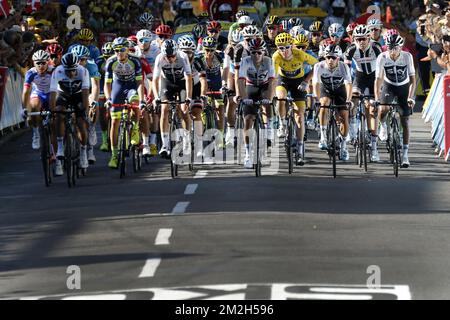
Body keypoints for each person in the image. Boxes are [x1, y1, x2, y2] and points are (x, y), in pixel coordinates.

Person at [272, 32, 319, 165]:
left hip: (299, 81)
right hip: (283, 80)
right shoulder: (276, 57)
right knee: (281, 98)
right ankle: (282, 123)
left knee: (299, 116)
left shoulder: (299, 54)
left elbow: (317, 65)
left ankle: (300, 148)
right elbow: (274, 76)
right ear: (277, 48)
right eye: (281, 48)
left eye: (287, 47)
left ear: (292, 46)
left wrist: (306, 81)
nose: (284, 51)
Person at [375, 34, 416, 168]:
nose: (392, 51)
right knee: (383, 109)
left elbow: (412, 80)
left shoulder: (407, 56)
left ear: (401, 47)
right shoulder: (382, 57)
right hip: (389, 86)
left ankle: (405, 155)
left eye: (395, 48)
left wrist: (410, 97)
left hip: (404, 87)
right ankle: (383, 125)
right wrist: (377, 98)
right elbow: (378, 79)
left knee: (405, 121)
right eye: (390, 48)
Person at [104, 37, 145, 169]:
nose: (119, 53)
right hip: (118, 86)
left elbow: (140, 83)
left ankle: (135, 128)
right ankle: (114, 155)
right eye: (116, 50)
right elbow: (107, 84)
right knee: (115, 121)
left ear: (127, 50)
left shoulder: (135, 61)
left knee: (135, 100)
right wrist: (108, 99)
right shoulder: (110, 62)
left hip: (132, 85)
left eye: (122, 50)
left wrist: (142, 100)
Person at [344, 24, 382, 162]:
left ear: (368, 38)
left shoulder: (376, 47)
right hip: (359, 78)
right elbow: (346, 71)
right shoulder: (351, 49)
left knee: (372, 109)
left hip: (374, 77)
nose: (361, 42)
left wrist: (379, 88)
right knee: (353, 98)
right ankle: (353, 125)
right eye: (358, 39)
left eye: (363, 39)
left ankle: (374, 148)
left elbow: (381, 69)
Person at [236, 38, 275, 168]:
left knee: (268, 103)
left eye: (259, 52)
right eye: (253, 52)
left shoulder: (269, 61)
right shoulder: (245, 61)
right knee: (248, 119)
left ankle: (268, 128)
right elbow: (240, 81)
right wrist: (243, 97)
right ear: (250, 52)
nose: (256, 55)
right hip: (251, 86)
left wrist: (269, 98)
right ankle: (248, 154)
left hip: (264, 86)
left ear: (263, 52)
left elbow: (272, 82)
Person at [152, 39, 193, 158]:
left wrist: (189, 97)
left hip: (181, 83)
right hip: (167, 83)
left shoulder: (183, 56)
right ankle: (165, 145)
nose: (170, 59)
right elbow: (155, 79)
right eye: (167, 56)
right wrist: (156, 97)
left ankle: (186, 139)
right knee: (164, 109)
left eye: (172, 56)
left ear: (176, 53)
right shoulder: (159, 58)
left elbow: (188, 77)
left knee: (184, 109)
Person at [312, 44, 353, 161]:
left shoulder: (344, 67)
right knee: (324, 103)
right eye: (328, 57)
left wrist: (349, 100)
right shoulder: (318, 66)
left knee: (344, 116)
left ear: (338, 58)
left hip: (340, 90)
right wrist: (317, 99)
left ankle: (344, 146)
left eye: (333, 58)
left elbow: (348, 84)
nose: (330, 60)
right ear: (325, 57)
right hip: (326, 90)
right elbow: (316, 83)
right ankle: (323, 136)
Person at [50, 53, 90, 170]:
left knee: (81, 123)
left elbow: (85, 94)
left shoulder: (83, 71)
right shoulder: (58, 71)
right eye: (68, 70)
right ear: (63, 68)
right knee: (59, 115)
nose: (71, 73)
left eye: (73, 70)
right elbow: (52, 94)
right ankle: (61, 146)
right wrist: (53, 112)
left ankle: (83, 152)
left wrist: (84, 111)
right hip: (63, 95)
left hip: (78, 95)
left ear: (76, 66)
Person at [71, 45, 101, 165]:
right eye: (77, 59)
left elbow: (95, 86)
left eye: (82, 59)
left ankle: (91, 129)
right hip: (72, 92)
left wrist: (93, 101)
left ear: (86, 59)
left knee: (94, 107)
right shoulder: (68, 65)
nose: (79, 62)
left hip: (86, 91)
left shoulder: (91, 66)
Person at [22, 50, 54, 151]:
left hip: (51, 93)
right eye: (38, 63)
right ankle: (36, 133)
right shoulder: (31, 73)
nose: (41, 65)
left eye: (43, 62)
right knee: (34, 107)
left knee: (55, 116)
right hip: (38, 94)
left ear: (47, 62)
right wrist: (23, 108)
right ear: (33, 63)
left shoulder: (53, 71)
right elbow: (26, 92)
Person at [95, 42, 114, 153]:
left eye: (110, 56)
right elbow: (95, 79)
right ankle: (104, 139)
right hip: (103, 85)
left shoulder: (118, 60)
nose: (108, 59)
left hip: (115, 85)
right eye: (106, 57)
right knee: (102, 110)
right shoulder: (98, 61)